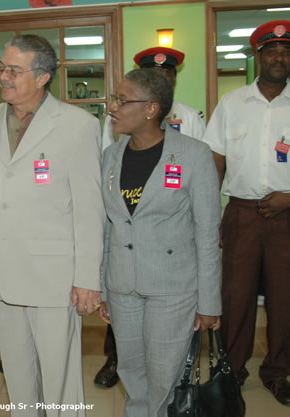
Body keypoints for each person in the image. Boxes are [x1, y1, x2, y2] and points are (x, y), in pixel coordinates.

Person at [0, 34, 104, 417]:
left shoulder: (77, 125)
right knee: (18, 377)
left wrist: (87, 278)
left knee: (60, 382)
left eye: (14, 70)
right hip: (3, 274)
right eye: (1, 68)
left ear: (43, 77)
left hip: (55, 276)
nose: (4, 77)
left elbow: (89, 206)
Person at [99, 68, 221, 417]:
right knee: (132, 373)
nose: (113, 107)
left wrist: (209, 301)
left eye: (123, 100)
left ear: (152, 109)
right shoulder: (111, 157)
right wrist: (104, 288)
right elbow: (108, 227)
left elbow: (207, 232)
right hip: (123, 285)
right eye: (115, 98)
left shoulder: (194, 155)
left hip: (172, 287)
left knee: (164, 377)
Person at [202, 20, 290, 406]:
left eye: (286, 51)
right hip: (239, 215)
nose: (279, 57)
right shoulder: (232, 104)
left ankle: (277, 371)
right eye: (272, 50)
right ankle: (231, 370)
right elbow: (214, 164)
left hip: (287, 218)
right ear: (258, 56)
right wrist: (211, 216)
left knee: (284, 300)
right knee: (234, 299)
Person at [101, 47, 206, 152]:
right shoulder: (116, 118)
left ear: (174, 79)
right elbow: (108, 158)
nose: (159, 82)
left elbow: (200, 158)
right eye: (151, 77)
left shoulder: (191, 118)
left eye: (165, 76)